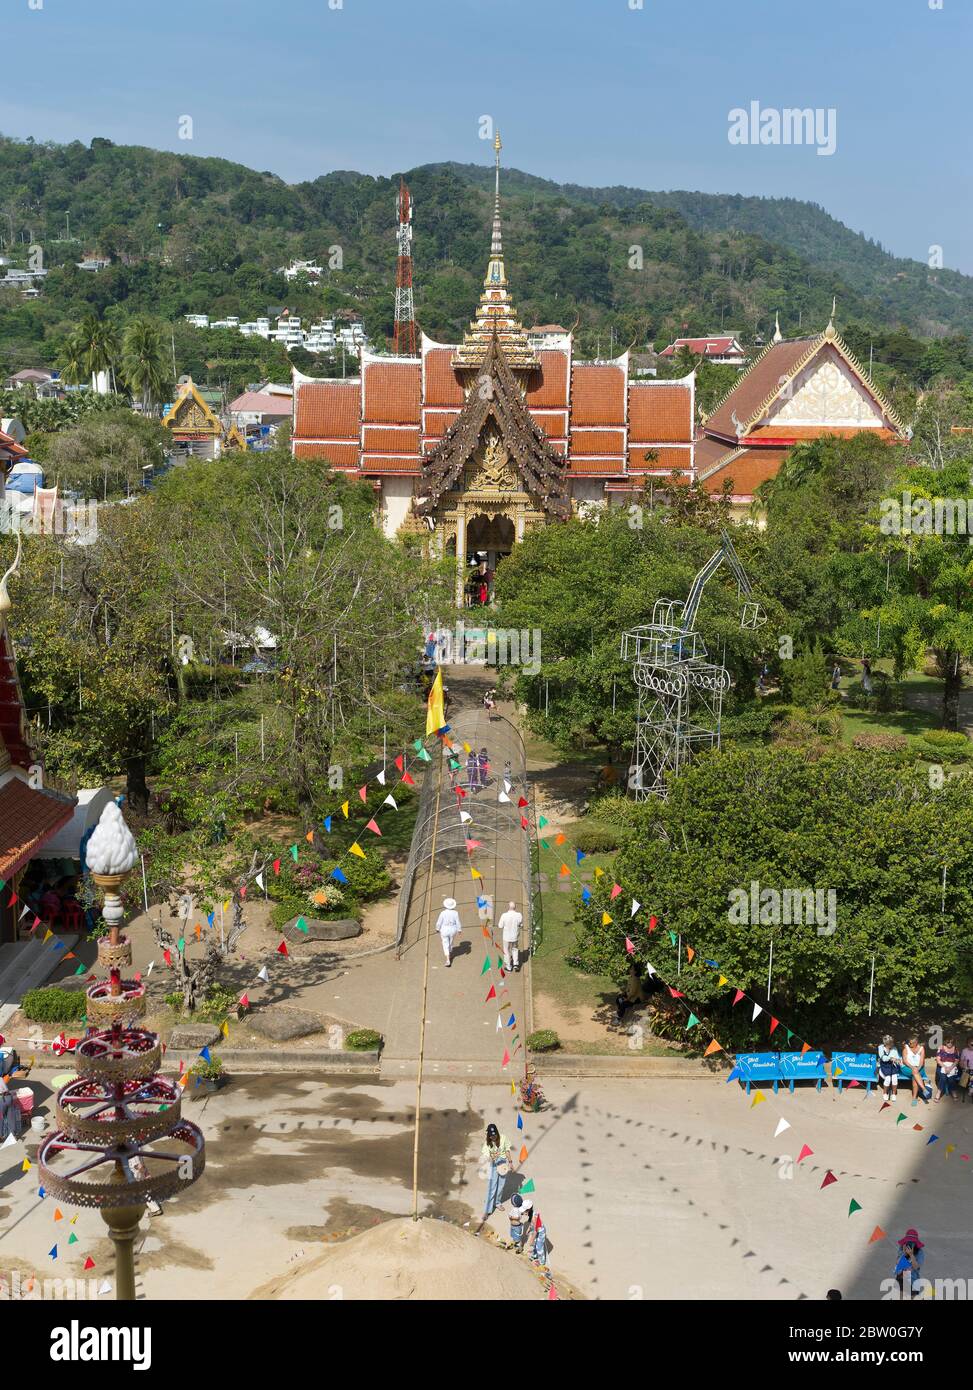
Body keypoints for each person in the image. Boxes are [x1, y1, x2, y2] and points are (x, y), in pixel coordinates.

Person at [479, 1123, 510, 1223]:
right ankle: (487, 1211)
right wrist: (491, 1158)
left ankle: (497, 1202)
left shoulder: (504, 1138)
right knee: (491, 1188)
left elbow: (507, 1150)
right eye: (491, 1136)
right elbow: (486, 1155)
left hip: (503, 1163)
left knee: (501, 1186)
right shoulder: (487, 1143)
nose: (493, 1137)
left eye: (494, 1135)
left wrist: (510, 1162)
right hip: (493, 1164)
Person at [893, 1229, 925, 1298]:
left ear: (915, 1243)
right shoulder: (902, 1248)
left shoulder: (920, 1252)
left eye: (912, 1243)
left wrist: (911, 1255)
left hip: (913, 1279)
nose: (910, 1244)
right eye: (908, 1242)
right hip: (902, 1276)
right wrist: (904, 1254)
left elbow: (916, 1267)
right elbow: (897, 1263)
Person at [435, 896, 462, 967]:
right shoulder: (455, 913)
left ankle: (447, 959)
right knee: (451, 941)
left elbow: (439, 922)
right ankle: (449, 953)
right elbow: (458, 922)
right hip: (453, 929)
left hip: (444, 929)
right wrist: (459, 929)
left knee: (445, 943)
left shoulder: (442, 913)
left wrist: (437, 928)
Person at [498, 900, 524, 972]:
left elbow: (500, 926)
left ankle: (509, 967)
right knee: (515, 949)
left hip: (506, 937)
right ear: (515, 907)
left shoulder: (504, 915)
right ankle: (516, 964)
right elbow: (521, 925)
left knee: (506, 951)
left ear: (508, 907)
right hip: (515, 936)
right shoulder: (519, 915)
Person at [902, 1036, 927, 1106]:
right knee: (915, 1073)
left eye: (911, 1043)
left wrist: (917, 1068)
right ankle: (923, 1089)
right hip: (907, 1067)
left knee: (914, 1076)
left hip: (919, 1068)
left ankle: (914, 1098)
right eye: (909, 1043)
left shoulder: (921, 1049)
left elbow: (922, 1062)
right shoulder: (906, 1048)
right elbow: (904, 1061)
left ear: (916, 1043)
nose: (909, 1044)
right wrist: (913, 1067)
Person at [935, 1037, 960, 1101]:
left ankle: (953, 1091)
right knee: (943, 1078)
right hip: (942, 1066)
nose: (950, 1044)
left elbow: (957, 1061)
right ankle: (939, 1092)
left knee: (951, 1078)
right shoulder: (941, 1048)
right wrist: (945, 1067)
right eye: (948, 1042)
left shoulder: (956, 1049)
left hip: (952, 1066)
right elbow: (938, 1060)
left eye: (951, 1042)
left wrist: (950, 1068)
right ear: (945, 1042)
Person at [877, 1035, 901, 1102]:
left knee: (894, 1078)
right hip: (884, 1067)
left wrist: (898, 1060)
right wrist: (891, 1058)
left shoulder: (894, 1048)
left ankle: (893, 1094)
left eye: (892, 1043)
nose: (893, 1044)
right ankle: (885, 1093)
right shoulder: (881, 1048)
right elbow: (883, 1058)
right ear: (886, 1044)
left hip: (892, 1066)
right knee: (888, 1078)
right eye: (891, 1043)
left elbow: (897, 1057)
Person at [959, 1035, 973, 1103]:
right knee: (968, 1076)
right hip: (966, 1069)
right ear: (967, 1044)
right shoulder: (964, 1051)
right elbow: (961, 1062)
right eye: (971, 1044)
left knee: (972, 1076)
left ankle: (971, 1089)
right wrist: (963, 1067)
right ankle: (971, 1089)